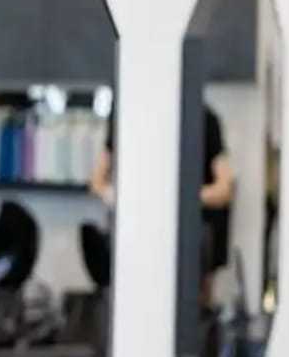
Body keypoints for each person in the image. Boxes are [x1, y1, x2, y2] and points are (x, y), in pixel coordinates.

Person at [90, 106, 235, 302]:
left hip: (192, 239)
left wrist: (179, 198)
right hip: (140, 236)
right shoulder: (126, 112)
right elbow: (97, 183)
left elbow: (224, 189)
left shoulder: (204, 118)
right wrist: (130, 199)